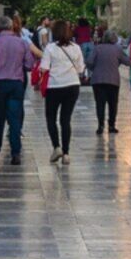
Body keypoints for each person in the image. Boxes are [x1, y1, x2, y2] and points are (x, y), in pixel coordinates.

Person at [0, 16, 35, 164]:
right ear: (11, 27)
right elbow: (29, 64)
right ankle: (15, 152)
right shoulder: (22, 43)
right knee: (15, 119)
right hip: (16, 84)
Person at [38, 20, 87, 161]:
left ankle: (56, 147)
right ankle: (66, 153)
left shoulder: (50, 48)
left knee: (51, 118)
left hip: (54, 86)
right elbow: (80, 69)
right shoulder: (76, 48)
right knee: (66, 119)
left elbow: (44, 68)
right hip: (72, 85)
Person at [86, 25, 126, 137]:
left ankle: (100, 125)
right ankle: (111, 125)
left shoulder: (97, 48)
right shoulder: (118, 49)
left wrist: (94, 68)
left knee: (100, 104)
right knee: (113, 104)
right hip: (113, 80)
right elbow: (127, 61)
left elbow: (89, 61)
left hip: (98, 80)